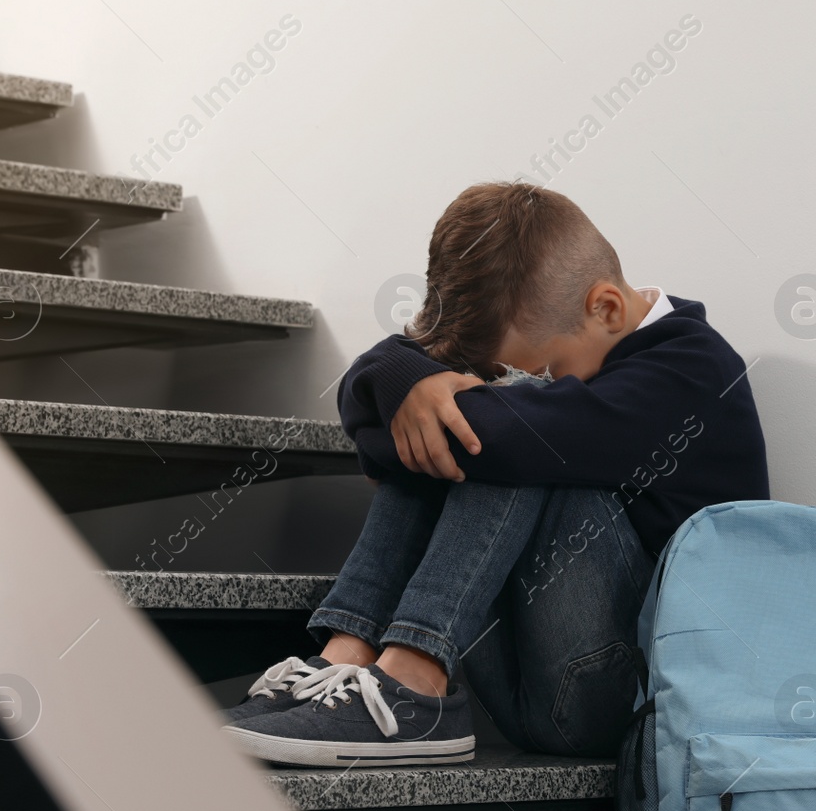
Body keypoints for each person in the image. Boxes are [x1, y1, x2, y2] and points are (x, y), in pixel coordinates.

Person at [222, 181, 768, 767]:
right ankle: (345, 658)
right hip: (524, 676)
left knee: (507, 428)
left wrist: (430, 399)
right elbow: (376, 407)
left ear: (606, 308)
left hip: (623, 699)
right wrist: (404, 382)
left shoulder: (692, 371)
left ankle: (416, 678)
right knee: (459, 426)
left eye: (543, 362)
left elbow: (485, 437)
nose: (536, 376)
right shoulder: (589, 341)